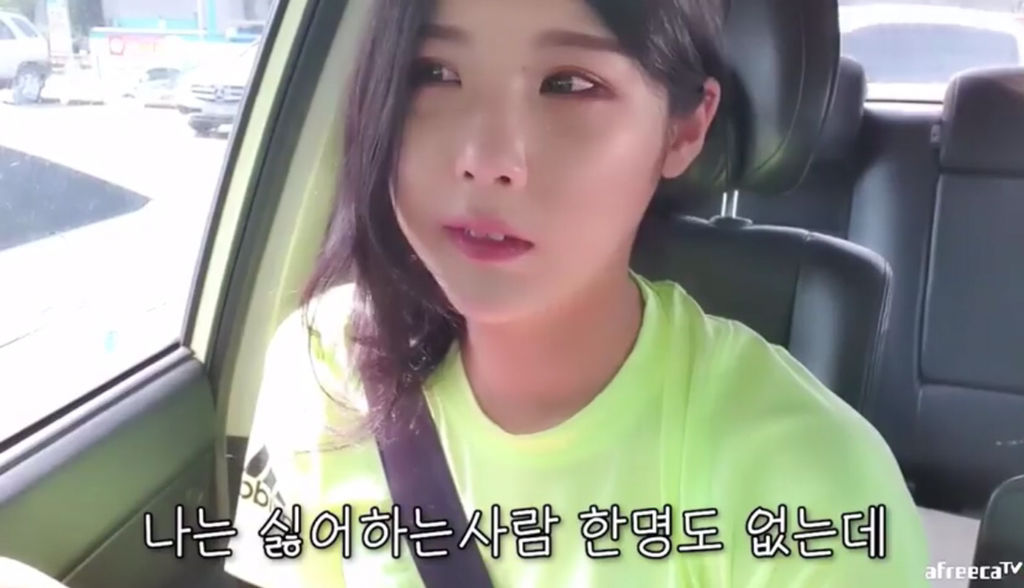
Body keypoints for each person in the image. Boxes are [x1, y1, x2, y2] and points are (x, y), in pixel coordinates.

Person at [225, 0, 932, 585]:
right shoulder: (325, 365)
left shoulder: (812, 486)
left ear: (685, 128)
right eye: (433, 73)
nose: (486, 160)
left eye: (569, 84)